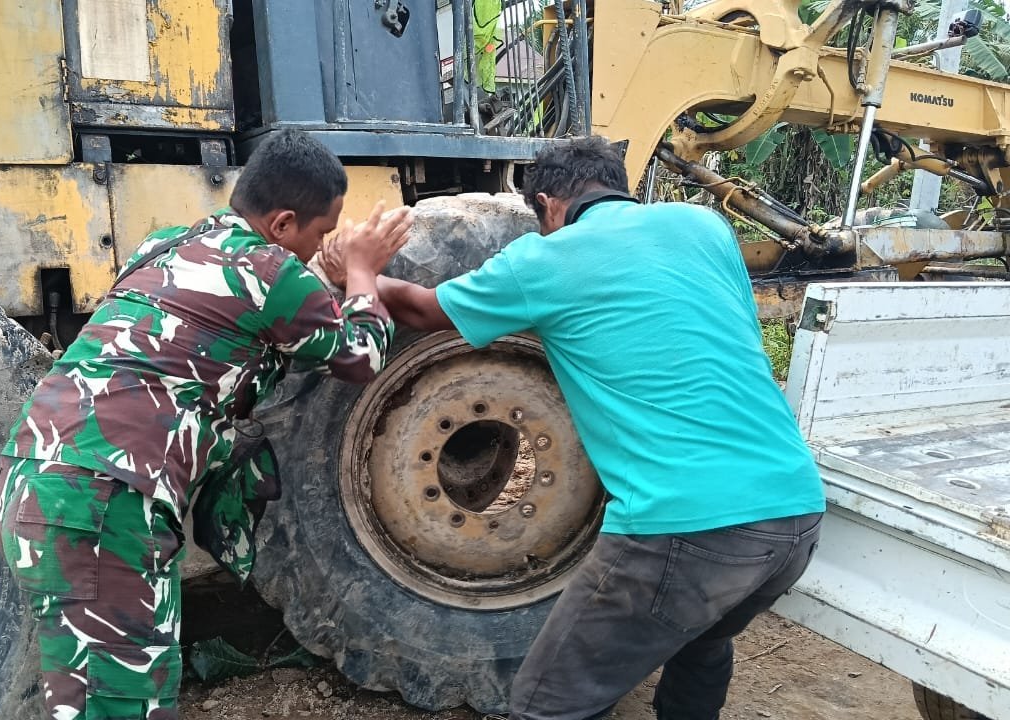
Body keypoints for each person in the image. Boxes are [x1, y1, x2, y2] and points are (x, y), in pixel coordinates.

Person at [325, 136, 825, 720]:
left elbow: (420, 310)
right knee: (700, 641)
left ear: (547, 205)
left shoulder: (546, 261)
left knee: (548, 705)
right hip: (795, 515)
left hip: (686, 529)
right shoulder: (704, 227)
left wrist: (359, 273)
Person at [0, 128, 412, 720]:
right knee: (121, 703)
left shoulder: (165, 244)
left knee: (94, 693)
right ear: (283, 223)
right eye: (320, 234)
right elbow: (360, 358)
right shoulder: (271, 272)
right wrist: (362, 272)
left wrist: (320, 270)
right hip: (103, 504)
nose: (322, 247)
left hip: (34, 481)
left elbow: (232, 316)